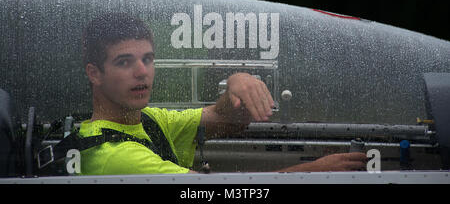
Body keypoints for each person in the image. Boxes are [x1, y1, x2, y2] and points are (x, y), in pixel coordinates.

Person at [79, 13, 367, 175]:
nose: (142, 72)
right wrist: (314, 173)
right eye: (124, 62)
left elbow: (225, 118)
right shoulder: (113, 156)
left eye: (148, 59)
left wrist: (238, 82)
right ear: (94, 73)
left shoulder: (148, 120)